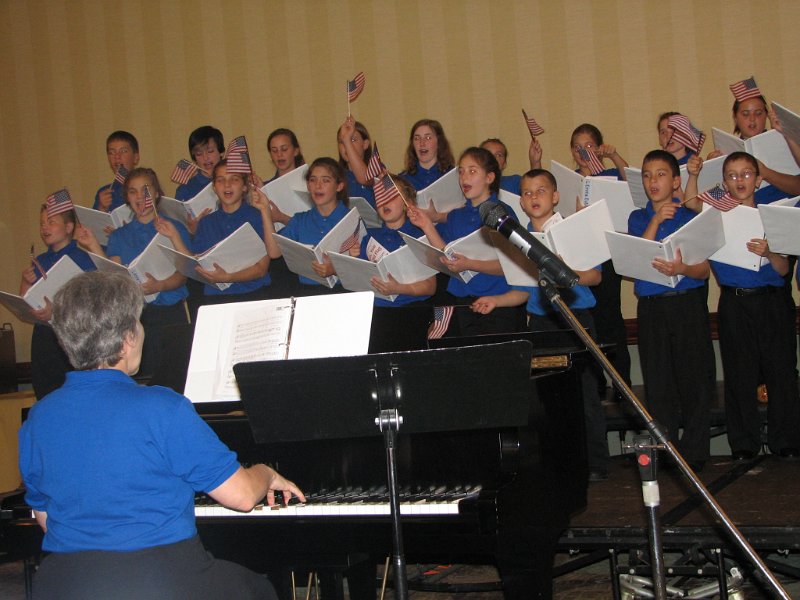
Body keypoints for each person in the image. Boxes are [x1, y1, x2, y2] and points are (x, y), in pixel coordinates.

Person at [19, 271, 304, 599]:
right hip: (158, 579)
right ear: (128, 338)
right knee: (259, 589)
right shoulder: (161, 407)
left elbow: (46, 518)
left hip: (64, 584)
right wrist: (266, 473)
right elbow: (241, 497)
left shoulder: (39, 417)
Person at [471, 168, 609, 480]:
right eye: (528, 192)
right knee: (547, 397)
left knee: (584, 393)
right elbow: (524, 290)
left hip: (575, 319)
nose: (534, 197)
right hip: (541, 323)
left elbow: (595, 276)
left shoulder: (572, 230)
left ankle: (595, 462)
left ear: (555, 196)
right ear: (521, 202)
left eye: (541, 190)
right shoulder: (519, 240)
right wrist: (496, 301)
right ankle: (559, 462)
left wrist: (566, 272)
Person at [685, 151, 800, 461]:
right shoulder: (718, 213)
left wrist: (771, 252)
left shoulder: (772, 214)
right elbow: (691, 203)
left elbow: (783, 270)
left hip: (772, 301)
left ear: (758, 179)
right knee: (739, 373)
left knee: (781, 371)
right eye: (732, 175)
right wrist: (693, 175)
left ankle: (785, 440)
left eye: (747, 174)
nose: (740, 180)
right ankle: (744, 443)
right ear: (725, 182)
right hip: (735, 302)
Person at [628, 150, 716, 470]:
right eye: (647, 175)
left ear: (676, 181)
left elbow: (703, 271)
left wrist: (682, 268)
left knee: (694, 379)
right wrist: (655, 220)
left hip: (686, 304)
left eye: (661, 174)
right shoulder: (637, 218)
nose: (653, 180)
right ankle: (667, 453)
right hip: (652, 308)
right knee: (658, 382)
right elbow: (637, 262)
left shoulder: (689, 216)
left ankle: (696, 453)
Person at [76, 167, 191, 379]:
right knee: (141, 377)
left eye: (145, 190)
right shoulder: (119, 236)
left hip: (170, 314)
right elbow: (113, 275)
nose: (140, 197)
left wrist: (160, 285)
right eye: (132, 191)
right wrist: (93, 245)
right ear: (127, 197)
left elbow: (184, 273)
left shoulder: (173, 227)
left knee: (175, 376)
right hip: (135, 318)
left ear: (156, 193)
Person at [409, 146, 524, 335]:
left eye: (472, 171)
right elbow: (447, 254)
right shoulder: (456, 215)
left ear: (489, 177)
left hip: (498, 299)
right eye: (461, 172)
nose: (464, 178)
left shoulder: (501, 213)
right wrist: (426, 224)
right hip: (464, 300)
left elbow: (511, 265)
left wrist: (471, 264)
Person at [565, 124, 632, 397]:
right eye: (577, 147)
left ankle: (622, 385)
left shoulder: (609, 176)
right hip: (582, 259)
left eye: (589, 146)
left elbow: (633, 184)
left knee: (611, 318)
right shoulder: (569, 182)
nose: (583, 152)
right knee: (587, 321)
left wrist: (613, 156)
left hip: (607, 256)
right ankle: (597, 386)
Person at [161, 160, 271, 305]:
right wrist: (174, 235)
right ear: (214, 187)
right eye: (220, 180)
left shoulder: (256, 216)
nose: (227, 184)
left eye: (234, 179)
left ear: (245, 186)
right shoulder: (206, 222)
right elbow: (196, 263)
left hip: (253, 294)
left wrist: (228, 277)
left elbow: (261, 268)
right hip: (216, 297)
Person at [21, 204, 95, 399]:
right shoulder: (40, 259)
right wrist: (26, 282)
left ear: (68, 227)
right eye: (42, 223)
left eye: (51, 222)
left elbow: (89, 304)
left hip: (71, 336)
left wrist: (56, 312)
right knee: (45, 391)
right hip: (44, 336)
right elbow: (26, 301)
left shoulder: (82, 259)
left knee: (71, 393)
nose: (44, 227)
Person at [266, 157, 350, 295]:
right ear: (308, 185)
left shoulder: (350, 219)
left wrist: (335, 270)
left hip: (343, 293)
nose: (318, 186)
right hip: (307, 292)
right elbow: (274, 252)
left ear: (339, 186)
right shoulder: (300, 220)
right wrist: (265, 210)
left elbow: (361, 266)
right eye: (313, 180)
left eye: (325, 180)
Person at [355, 174, 436, 306]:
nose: (385, 201)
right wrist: (353, 259)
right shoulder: (369, 237)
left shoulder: (419, 236)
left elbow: (430, 286)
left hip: (410, 307)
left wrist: (399, 288)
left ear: (406, 204)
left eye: (392, 196)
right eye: (380, 197)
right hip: (376, 306)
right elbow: (361, 279)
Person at [707, 92, 800, 204]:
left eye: (758, 113)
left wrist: (765, 172)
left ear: (766, 116)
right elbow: (716, 200)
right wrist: (710, 170)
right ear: (735, 118)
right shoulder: (725, 149)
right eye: (745, 114)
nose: (752, 119)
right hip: (747, 209)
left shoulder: (784, 140)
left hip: (787, 204)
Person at [400, 119, 455, 191]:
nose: (422, 143)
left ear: (439, 142)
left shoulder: (454, 176)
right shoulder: (403, 181)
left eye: (428, 138)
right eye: (417, 138)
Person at [175, 125, 225, 202]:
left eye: (210, 151)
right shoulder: (185, 189)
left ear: (221, 152)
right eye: (199, 154)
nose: (205, 158)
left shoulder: (233, 182)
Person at [93, 130, 140, 212]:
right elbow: (93, 219)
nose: (117, 156)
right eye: (111, 152)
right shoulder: (104, 193)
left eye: (123, 151)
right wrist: (101, 208)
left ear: (136, 158)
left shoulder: (147, 187)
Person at [338, 116, 376, 207]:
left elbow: (365, 178)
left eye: (353, 140)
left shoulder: (376, 166)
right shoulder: (336, 173)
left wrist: (347, 140)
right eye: (342, 141)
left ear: (365, 144)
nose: (346, 146)